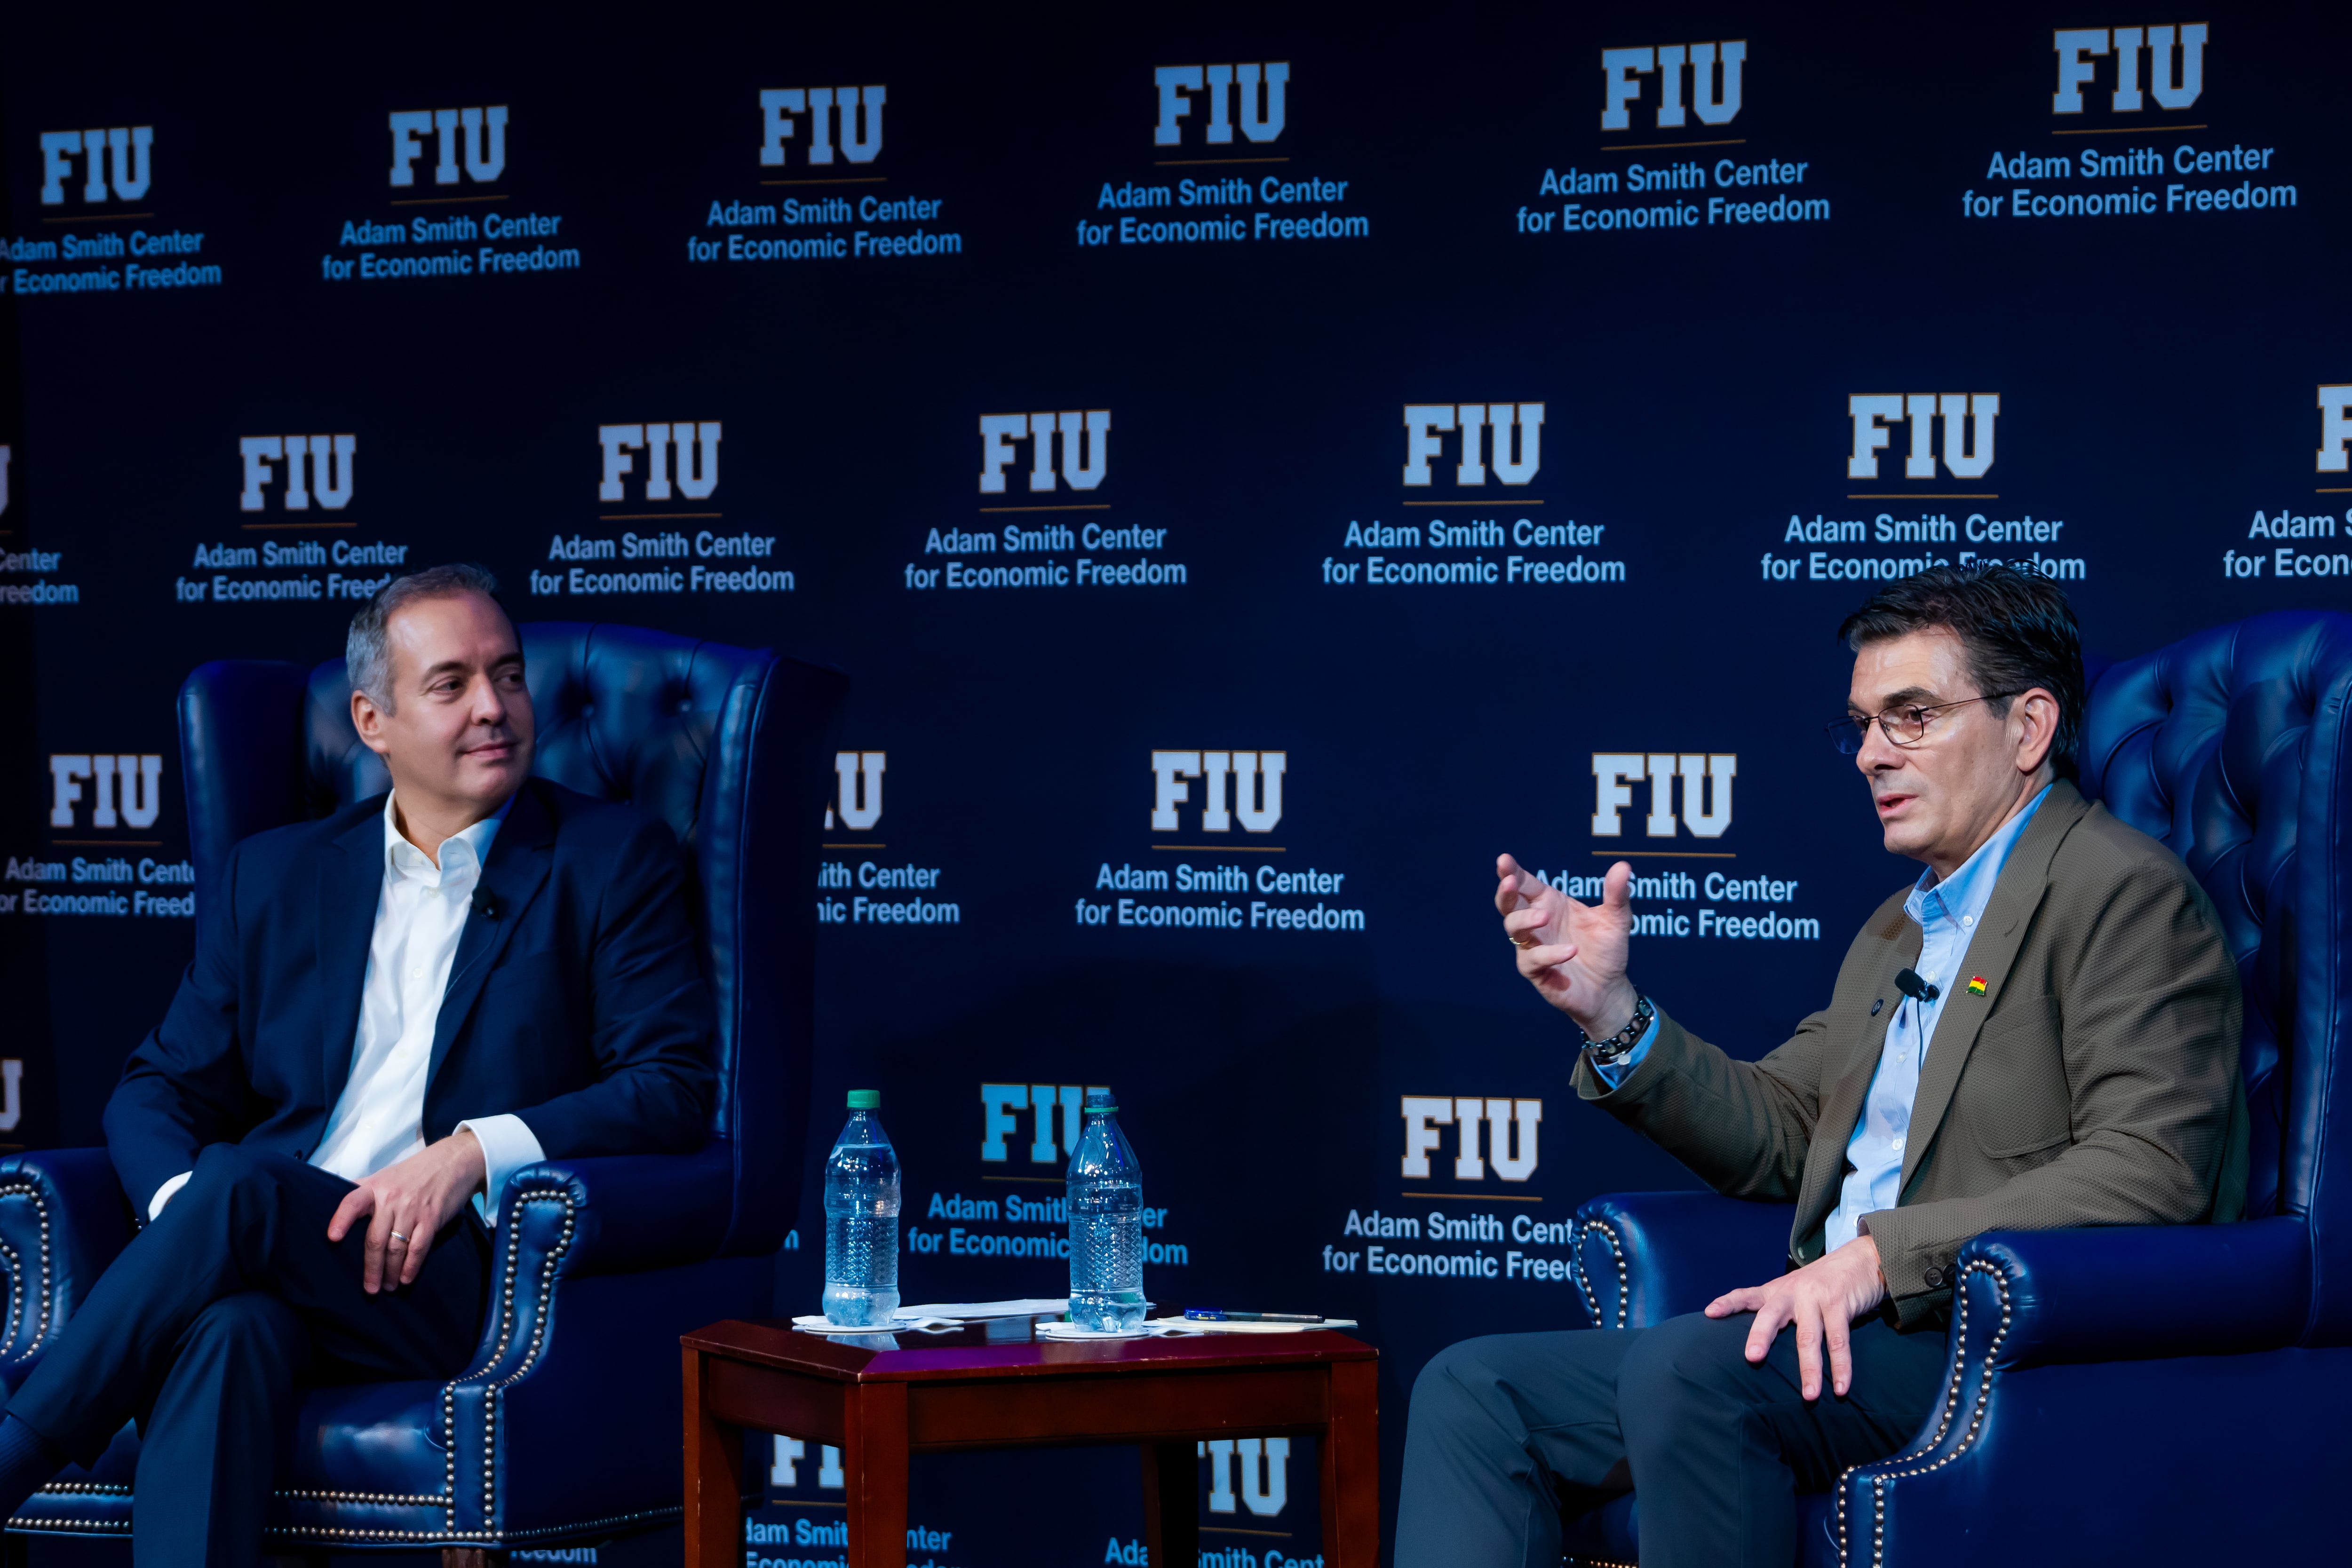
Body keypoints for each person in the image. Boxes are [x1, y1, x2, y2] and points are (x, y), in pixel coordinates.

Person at [1395, 564, 2246, 1567]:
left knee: (1689, 1368)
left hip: (1987, 1346)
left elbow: (2151, 1166)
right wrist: (1611, 1011)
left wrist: (1880, 1256)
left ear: (2027, 728)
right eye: (1864, 723)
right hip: (1836, 1344)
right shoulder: (1898, 926)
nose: (1872, 755)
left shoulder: (2121, 894)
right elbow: (1783, 1130)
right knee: (1473, 1389)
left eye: (1912, 716)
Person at [0, 564, 716, 1565]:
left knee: (241, 1184)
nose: (495, 708)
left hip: (456, 1274)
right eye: (453, 683)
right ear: (372, 720)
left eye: (508, 676)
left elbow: (672, 1086)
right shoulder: (281, 872)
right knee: (230, 1331)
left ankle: (11, 1455)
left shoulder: (608, 857)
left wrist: (471, 1150)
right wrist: (191, 1222)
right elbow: (157, 1086)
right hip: (272, 1246)